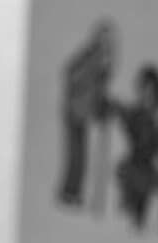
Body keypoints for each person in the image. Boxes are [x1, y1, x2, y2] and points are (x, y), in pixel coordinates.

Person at [58, 23, 116, 209]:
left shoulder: (101, 61)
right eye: (104, 39)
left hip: (81, 112)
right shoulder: (91, 57)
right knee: (76, 155)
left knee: (80, 155)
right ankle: (69, 192)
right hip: (75, 111)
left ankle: (73, 192)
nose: (107, 44)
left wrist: (100, 106)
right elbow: (72, 75)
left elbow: (98, 90)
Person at [114, 66, 158, 231]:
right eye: (144, 90)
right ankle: (127, 211)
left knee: (143, 195)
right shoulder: (135, 113)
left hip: (147, 166)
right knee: (127, 180)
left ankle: (138, 220)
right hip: (134, 161)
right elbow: (125, 116)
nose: (146, 96)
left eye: (151, 93)